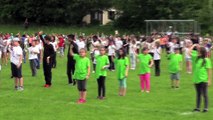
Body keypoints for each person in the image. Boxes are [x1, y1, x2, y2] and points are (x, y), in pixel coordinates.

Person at [189, 44, 212, 112]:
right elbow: (189, 52)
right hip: (196, 79)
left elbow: (209, 70)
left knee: (204, 94)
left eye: (199, 51)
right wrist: (194, 45)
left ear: (202, 53)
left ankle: (205, 108)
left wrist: (209, 80)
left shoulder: (206, 60)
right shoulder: (196, 58)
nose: (197, 52)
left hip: (203, 79)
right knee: (198, 94)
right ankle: (198, 108)